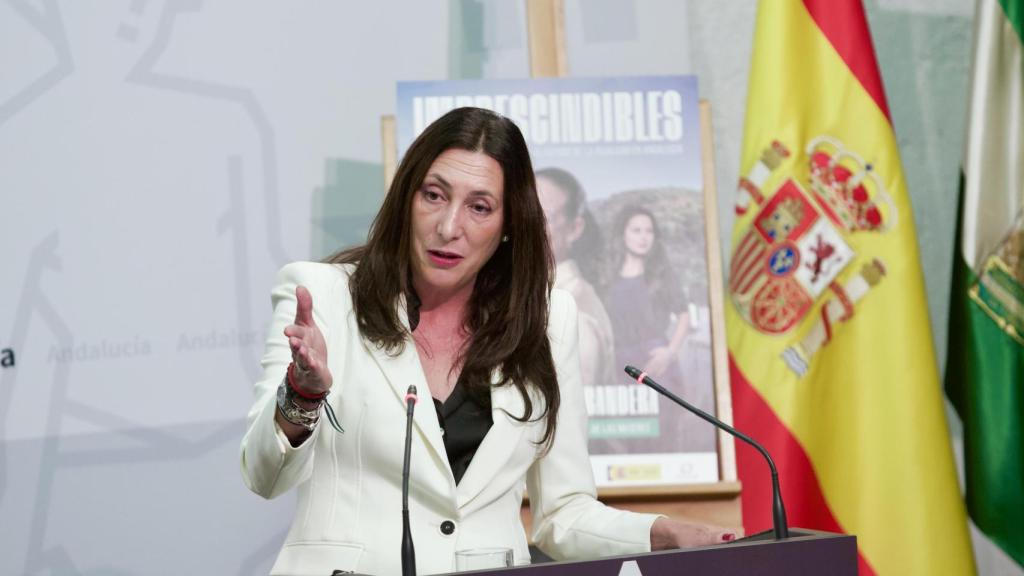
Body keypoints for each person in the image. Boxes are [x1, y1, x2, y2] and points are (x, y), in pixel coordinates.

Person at [241, 108, 734, 576]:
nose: (449, 226)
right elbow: (264, 475)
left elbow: (562, 513)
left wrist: (664, 533)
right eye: (433, 195)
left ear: (507, 226)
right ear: (406, 198)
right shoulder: (322, 296)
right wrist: (302, 397)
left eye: (479, 207)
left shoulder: (548, 320)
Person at [605, 205, 712, 453]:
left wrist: (670, 352)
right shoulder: (608, 277)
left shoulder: (661, 275)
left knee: (662, 434)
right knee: (623, 438)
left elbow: (683, 315)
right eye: (637, 230)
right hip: (620, 367)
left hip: (656, 366)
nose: (644, 237)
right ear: (623, 234)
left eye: (649, 231)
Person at [535, 168, 615, 391]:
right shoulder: (536, 295)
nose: (526, 224)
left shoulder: (575, 318)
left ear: (575, 228)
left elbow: (571, 419)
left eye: (542, 217)